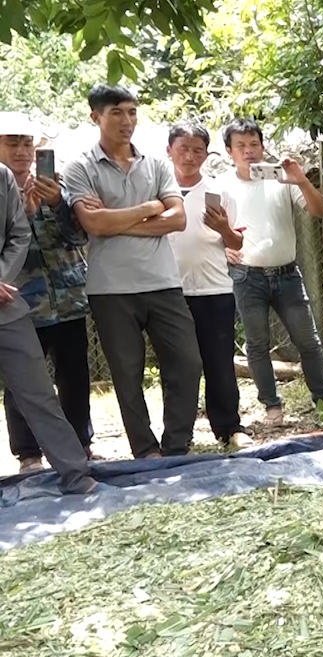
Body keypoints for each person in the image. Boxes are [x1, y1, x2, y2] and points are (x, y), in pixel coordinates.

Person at [62, 84, 203, 459]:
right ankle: (145, 451)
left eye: (132, 112)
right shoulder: (80, 167)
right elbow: (92, 223)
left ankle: (176, 446)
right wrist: (148, 208)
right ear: (96, 117)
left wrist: (114, 219)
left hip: (163, 281)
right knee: (127, 375)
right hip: (111, 288)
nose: (127, 121)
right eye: (116, 113)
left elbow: (177, 218)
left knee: (188, 363)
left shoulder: (156, 164)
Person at [219, 117, 323, 426]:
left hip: (288, 274)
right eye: (241, 146)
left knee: (309, 341)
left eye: (254, 144)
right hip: (247, 276)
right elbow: (210, 228)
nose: (249, 151)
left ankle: (322, 398)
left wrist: (301, 179)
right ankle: (272, 406)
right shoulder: (221, 185)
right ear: (228, 151)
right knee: (257, 344)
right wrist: (222, 249)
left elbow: (319, 210)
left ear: (262, 147)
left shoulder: (282, 178)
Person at [0, 112, 96, 471]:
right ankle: (29, 455)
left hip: (68, 297)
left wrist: (58, 204)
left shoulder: (55, 184)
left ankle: (80, 446)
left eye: (28, 143)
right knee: (23, 381)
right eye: (13, 142)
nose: (22, 151)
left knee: (75, 373)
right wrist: (24, 214)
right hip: (20, 299)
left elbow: (80, 236)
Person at [166, 121, 253, 450]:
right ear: (169, 150)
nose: (190, 156)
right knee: (178, 366)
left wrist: (222, 227)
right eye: (183, 149)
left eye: (198, 150)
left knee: (219, 362)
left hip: (214, 289)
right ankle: (178, 435)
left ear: (207, 154)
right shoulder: (160, 192)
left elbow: (236, 241)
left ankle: (229, 427)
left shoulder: (220, 193)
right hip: (169, 292)